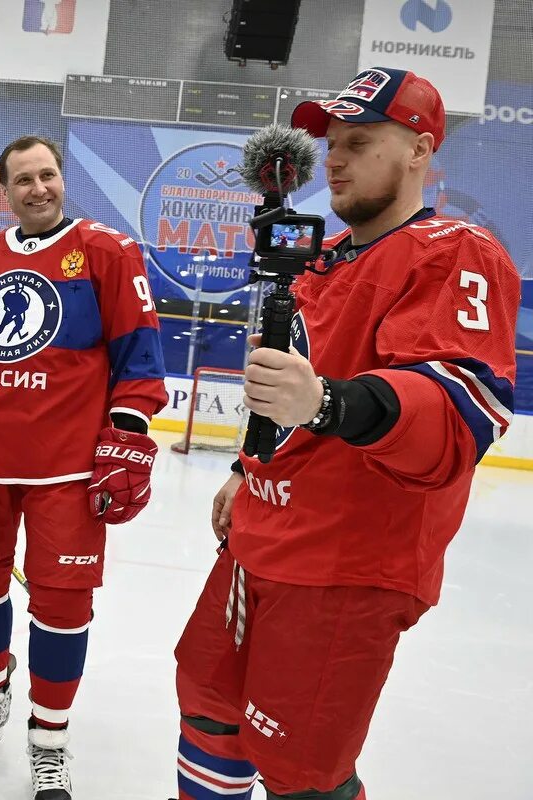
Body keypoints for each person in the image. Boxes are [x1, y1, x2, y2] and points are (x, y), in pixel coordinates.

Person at [173, 68, 519, 800]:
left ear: (421, 151)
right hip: (258, 539)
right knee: (209, 713)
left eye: (359, 142)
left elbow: (460, 413)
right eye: (331, 142)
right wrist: (246, 466)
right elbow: (291, 384)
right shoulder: (323, 258)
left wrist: (327, 403)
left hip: (343, 567)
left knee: (301, 773)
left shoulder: (455, 252)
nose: (333, 158)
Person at [0, 135, 168, 798]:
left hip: (65, 466)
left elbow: (140, 356)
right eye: (23, 180)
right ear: (5, 193)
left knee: (62, 604)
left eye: (48, 175)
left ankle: (49, 739)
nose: (38, 188)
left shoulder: (107, 252)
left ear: (62, 179)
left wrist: (127, 434)